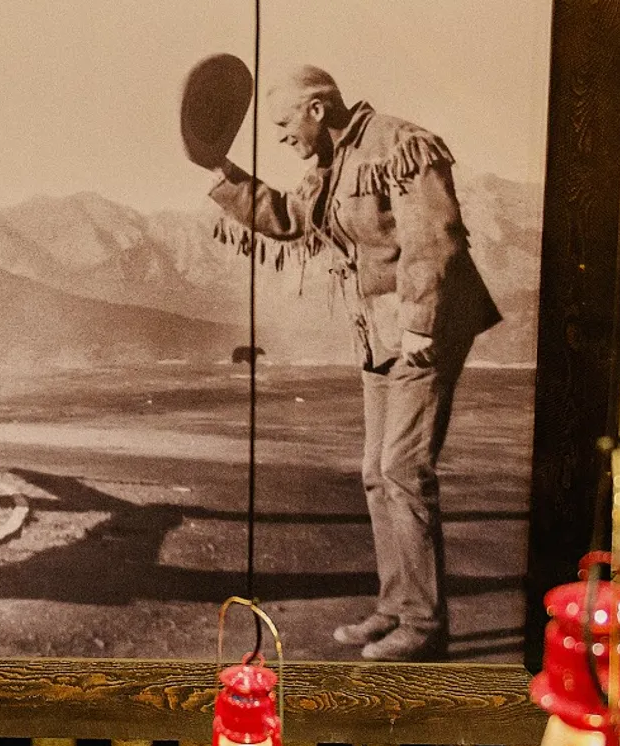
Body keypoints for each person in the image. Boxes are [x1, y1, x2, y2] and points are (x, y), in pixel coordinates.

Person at [206, 66, 501, 661]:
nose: (281, 136)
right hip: (378, 333)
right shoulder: (331, 165)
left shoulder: (398, 143)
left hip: (426, 326)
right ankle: (395, 606)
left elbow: (433, 237)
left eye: (285, 123)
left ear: (317, 110)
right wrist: (223, 174)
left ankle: (424, 624)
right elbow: (288, 218)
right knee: (375, 471)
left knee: (403, 468)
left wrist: (420, 323)